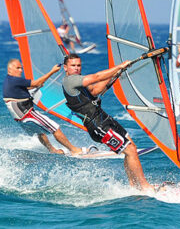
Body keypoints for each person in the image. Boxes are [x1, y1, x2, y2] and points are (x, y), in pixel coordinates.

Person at [62, 53, 153, 192]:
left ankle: (133, 185)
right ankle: (146, 187)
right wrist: (119, 67)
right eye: (73, 65)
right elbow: (97, 77)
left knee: (131, 148)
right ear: (65, 68)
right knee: (130, 150)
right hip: (98, 126)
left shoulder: (79, 83)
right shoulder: (70, 81)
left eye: (78, 65)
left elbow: (95, 90)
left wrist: (116, 73)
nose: (76, 68)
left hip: (104, 119)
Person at [3, 58, 84, 155]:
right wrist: (52, 71)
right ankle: (74, 150)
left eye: (21, 68)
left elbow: (28, 87)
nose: (21, 70)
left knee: (40, 132)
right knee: (55, 128)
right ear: (10, 69)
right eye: (18, 68)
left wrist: (37, 86)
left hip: (20, 119)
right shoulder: (15, 80)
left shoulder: (9, 81)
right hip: (28, 114)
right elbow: (35, 83)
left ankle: (52, 150)